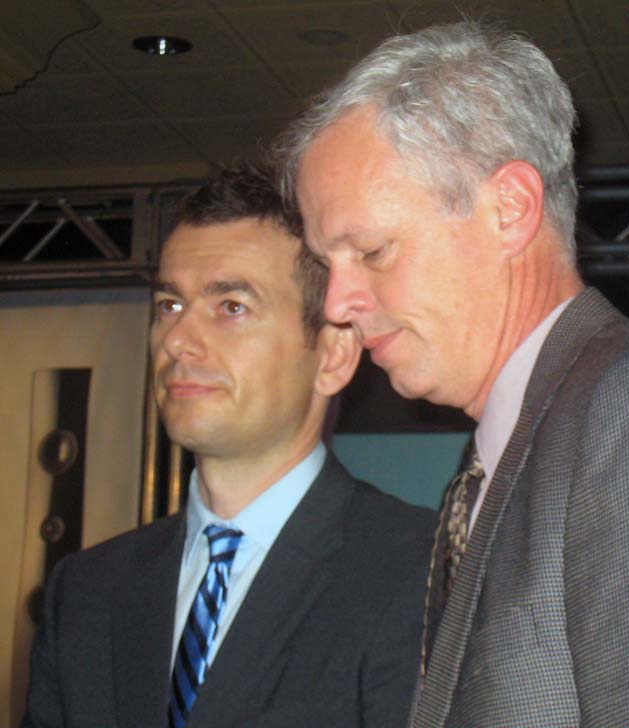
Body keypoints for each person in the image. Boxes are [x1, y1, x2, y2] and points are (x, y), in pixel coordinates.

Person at [277, 20, 629, 728]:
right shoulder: (520, 452)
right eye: (326, 264)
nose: (337, 303)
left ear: (511, 209)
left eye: (370, 250)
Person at [23, 161, 436, 728]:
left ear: (333, 356)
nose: (178, 339)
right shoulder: (86, 592)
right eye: (169, 306)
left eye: (231, 307)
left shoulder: (418, 572)